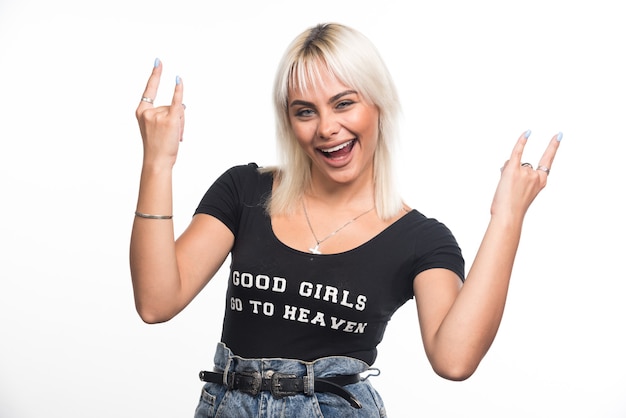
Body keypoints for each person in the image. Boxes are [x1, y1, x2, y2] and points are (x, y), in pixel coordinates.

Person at [130, 23, 562, 417]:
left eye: (344, 104)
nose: (327, 127)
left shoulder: (421, 240)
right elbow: (156, 302)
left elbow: (454, 359)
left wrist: (507, 217)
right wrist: (158, 163)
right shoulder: (245, 191)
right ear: (290, 121)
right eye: (305, 111)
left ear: (377, 103)